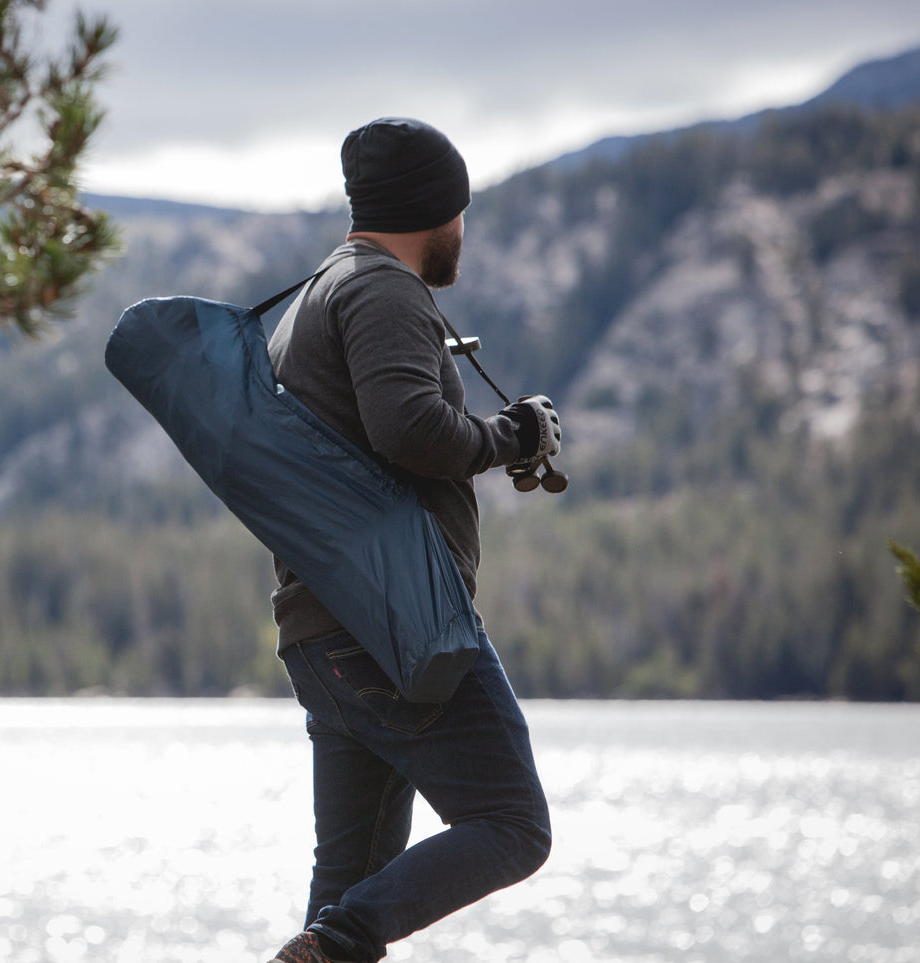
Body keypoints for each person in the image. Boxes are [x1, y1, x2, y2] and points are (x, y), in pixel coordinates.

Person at [263, 117, 561, 963]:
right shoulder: (384, 290)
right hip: (399, 627)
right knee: (511, 823)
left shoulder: (318, 292)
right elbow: (412, 431)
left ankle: (334, 936)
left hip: (324, 633)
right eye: (458, 210)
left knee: (341, 885)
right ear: (434, 210)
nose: (461, 229)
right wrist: (511, 436)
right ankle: (344, 934)